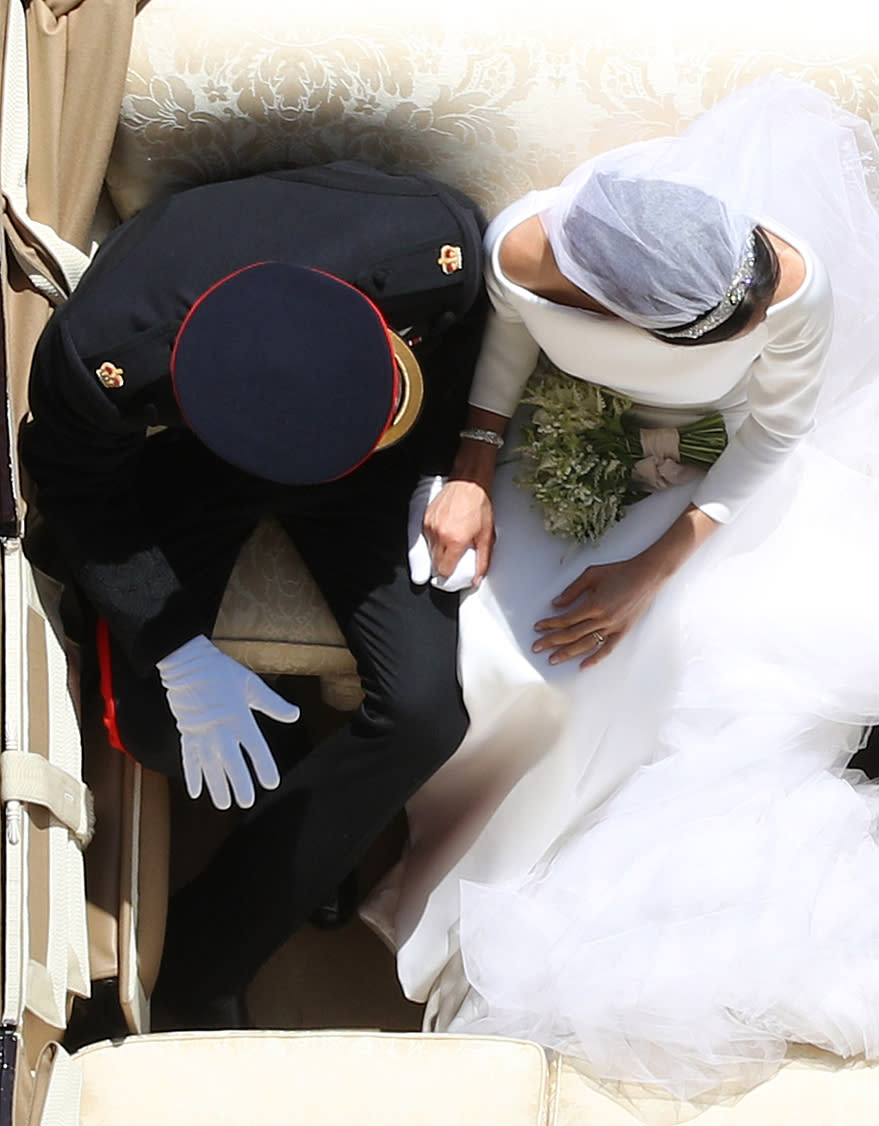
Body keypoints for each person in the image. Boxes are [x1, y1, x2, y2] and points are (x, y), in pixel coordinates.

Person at [370, 76, 879, 1099]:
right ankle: (443, 859)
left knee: (665, 657)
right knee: (515, 657)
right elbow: (512, 342)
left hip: (719, 471)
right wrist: (473, 470)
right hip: (559, 432)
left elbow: (776, 426)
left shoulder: (782, 278)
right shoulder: (533, 248)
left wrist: (650, 572)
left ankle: (548, 880)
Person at [20, 160, 486, 1024]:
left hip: (377, 458)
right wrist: (180, 655)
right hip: (198, 466)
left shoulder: (430, 248)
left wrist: (454, 466)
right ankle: (296, 833)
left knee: (427, 712)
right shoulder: (103, 358)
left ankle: (208, 946)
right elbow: (78, 488)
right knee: (164, 727)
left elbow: (469, 344)